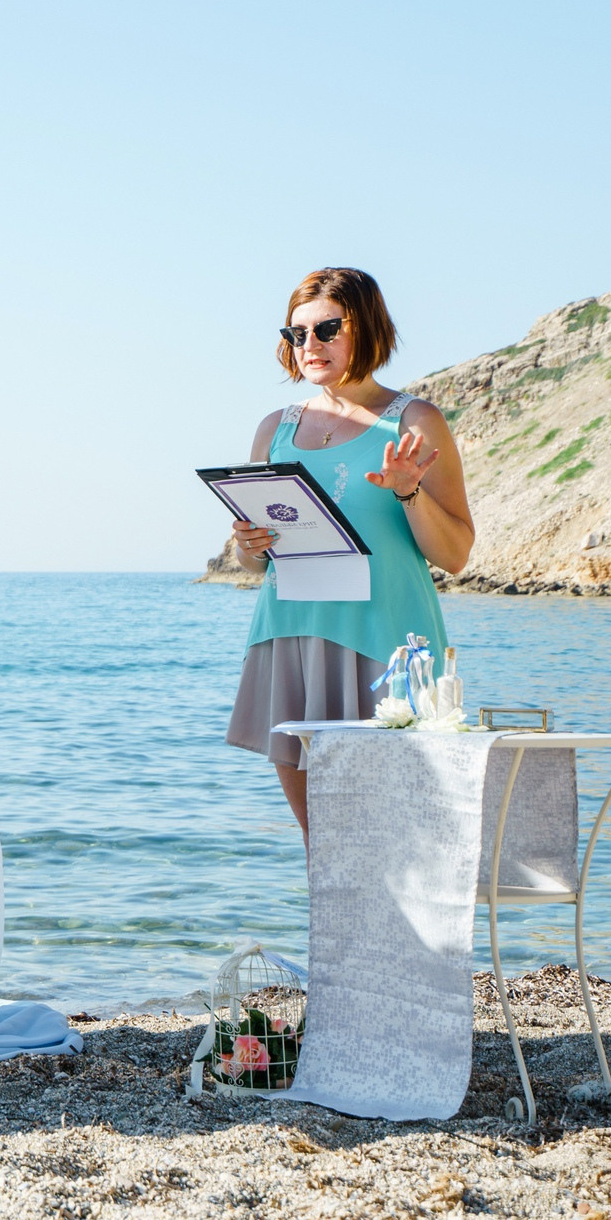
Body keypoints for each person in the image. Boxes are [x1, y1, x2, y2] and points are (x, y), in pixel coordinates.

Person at [226, 267, 476, 835]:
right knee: (323, 848)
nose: (309, 346)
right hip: (290, 637)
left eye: (326, 329)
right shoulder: (274, 429)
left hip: (384, 645)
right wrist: (248, 545)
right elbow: (255, 561)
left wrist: (409, 490)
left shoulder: (414, 422)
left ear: (365, 329)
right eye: (297, 334)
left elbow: (456, 553)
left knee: (395, 843)